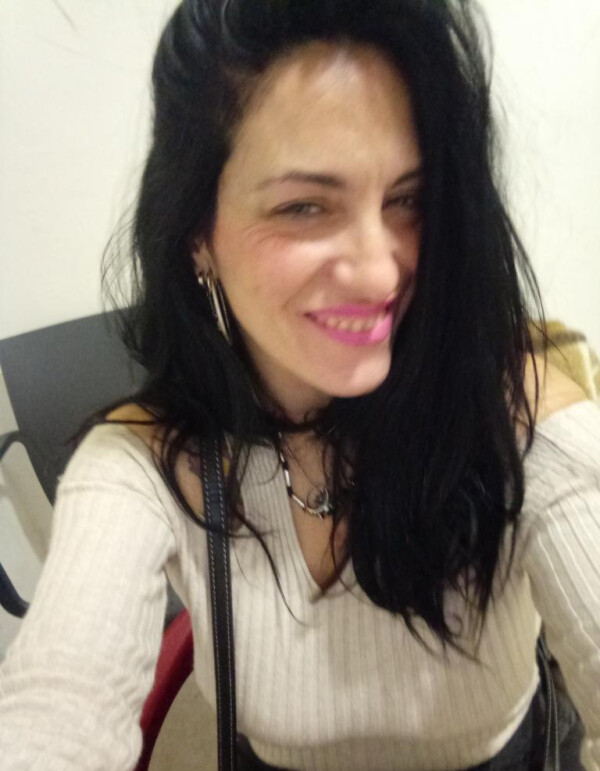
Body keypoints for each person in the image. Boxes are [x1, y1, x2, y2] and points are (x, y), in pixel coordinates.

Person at [0, 0, 598, 769]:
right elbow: (56, 710)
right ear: (198, 234)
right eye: (305, 206)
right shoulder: (145, 463)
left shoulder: (520, 419)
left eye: (407, 199)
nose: (379, 272)